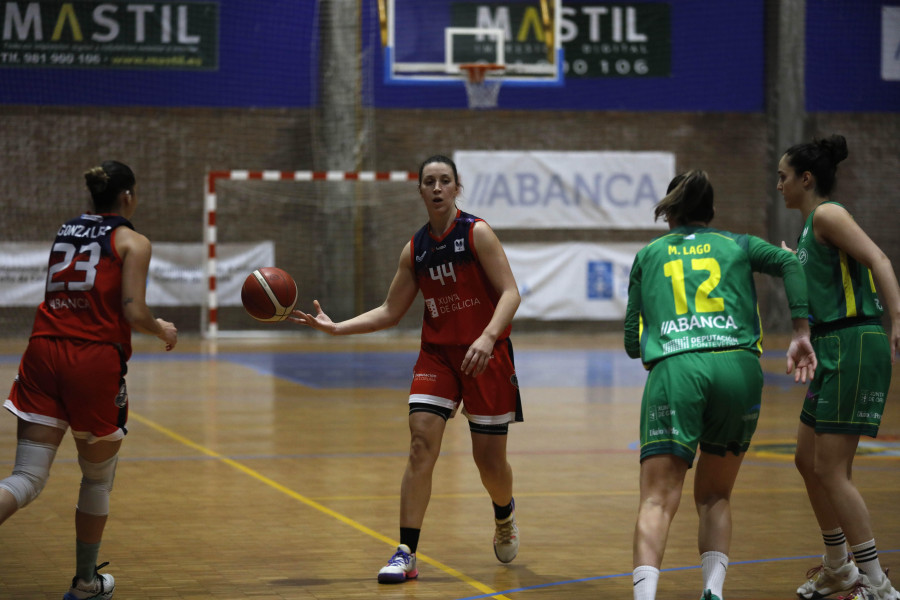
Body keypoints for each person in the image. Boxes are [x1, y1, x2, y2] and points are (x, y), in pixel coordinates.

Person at [289, 154, 523, 583]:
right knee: (420, 445)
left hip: (485, 354)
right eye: (429, 182)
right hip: (438, 356)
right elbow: (389, 310)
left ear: (457, 188)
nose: (436, 188)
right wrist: (337, 328)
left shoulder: (478, 234)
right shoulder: (415, 249)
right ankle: (405, 552)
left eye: (445, 181)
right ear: (419, 190)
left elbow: (511, 293)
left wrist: (488, 337)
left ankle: (503, 513)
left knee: (489, 464)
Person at [624, 170, 817, 600]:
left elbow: (631, 343)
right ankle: (712, 590)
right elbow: (789, 262)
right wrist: (801, 330)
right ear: (710, 213)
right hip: (738, 368)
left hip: (678, 369)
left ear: (670, 212)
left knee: (657, 499)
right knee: (715, 495)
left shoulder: (649, 254)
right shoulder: (738, 244)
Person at [0, 161, 178, 600]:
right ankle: (85, 584)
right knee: (96, 478)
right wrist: (162, 328)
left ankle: (87, 583)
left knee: (26, 478)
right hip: (92, 359)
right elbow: (134, 311)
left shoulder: (67, 230)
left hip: (43, 349)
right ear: (128, 197)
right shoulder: (133, 241)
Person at [778, 135, 900, 600]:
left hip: (853, 341)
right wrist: (795, 265)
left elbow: (879, 259)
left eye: (783, 177)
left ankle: (877, 584)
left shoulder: (829, 213)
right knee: (806, 461)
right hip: (831, 346)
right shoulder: (811, 229)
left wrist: (897, 318)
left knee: (831, 469)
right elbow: (829, 284)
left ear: (806, 179)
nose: (778, 186)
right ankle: (838, 567)